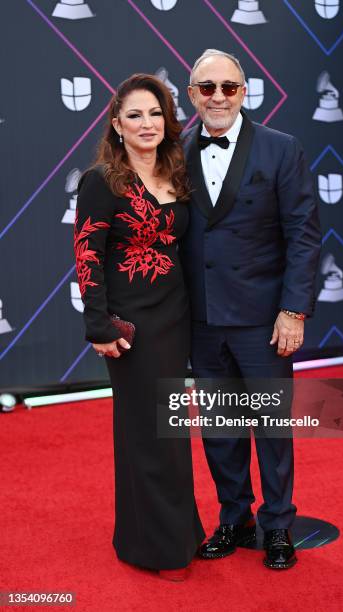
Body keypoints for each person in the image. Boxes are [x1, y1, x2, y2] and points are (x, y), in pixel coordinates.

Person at [181, 49, 321, 569]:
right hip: (200, 319)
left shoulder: (281, 149)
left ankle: (278, 525)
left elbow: (303, 236)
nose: (218, 96)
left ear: (245, 92)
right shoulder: (174, 151)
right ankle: (233, 518)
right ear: (191, 93)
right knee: (219, 429)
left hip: (264, 320)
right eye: (207, 87)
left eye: (229, 87)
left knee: (272, 429)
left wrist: (294, 311)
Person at [74, 73, 205, 581]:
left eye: (155, 113)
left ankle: (176, 532)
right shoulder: (102, 180)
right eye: (135, 115)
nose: (146, 123)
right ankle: (157, 548)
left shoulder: (177, 172)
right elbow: (87, 253)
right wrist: (99, 325)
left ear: (167, 121)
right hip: (131, 325)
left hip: (176, 316)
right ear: (116, 124)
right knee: (149, 434)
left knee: (170, 432)